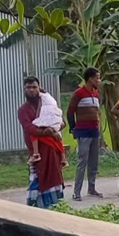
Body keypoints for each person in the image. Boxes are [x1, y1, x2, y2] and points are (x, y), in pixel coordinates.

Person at [18, 77, 65, 208]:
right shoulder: (23, 110)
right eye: (28, 87)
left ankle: (56, 207)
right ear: (24, 90)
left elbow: (62, 122)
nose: (31, 90)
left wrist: (55, 128)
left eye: (34, 87)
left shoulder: (48, 105)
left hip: (52, 149)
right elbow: (29, 128)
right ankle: (34, 210)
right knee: (36, 180)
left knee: (55, 178)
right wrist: (47, 131)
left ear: (39, 89)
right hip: (36, 152)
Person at [66, 67, 103, 201]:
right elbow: (70, 112)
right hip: (83, 132)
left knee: (94, 161)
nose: (99, 81)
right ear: (90, 79)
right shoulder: (79, 93)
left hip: (94, 131)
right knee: (83, 161)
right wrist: (73, 127)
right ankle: (77, 192)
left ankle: (91, 188)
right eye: (97, 78)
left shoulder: (96, 94)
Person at [28, 91, 66, 167]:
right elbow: (62, 123)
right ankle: (63, 158)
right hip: (54, 127)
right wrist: (53, 130)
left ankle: (36, 154)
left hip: (49, 140)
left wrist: (50, 130)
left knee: (33, 135)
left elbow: (64, 124)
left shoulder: (42, 100)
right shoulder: (52, 101)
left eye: (34, 88)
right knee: (59, 138)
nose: (32, 90)